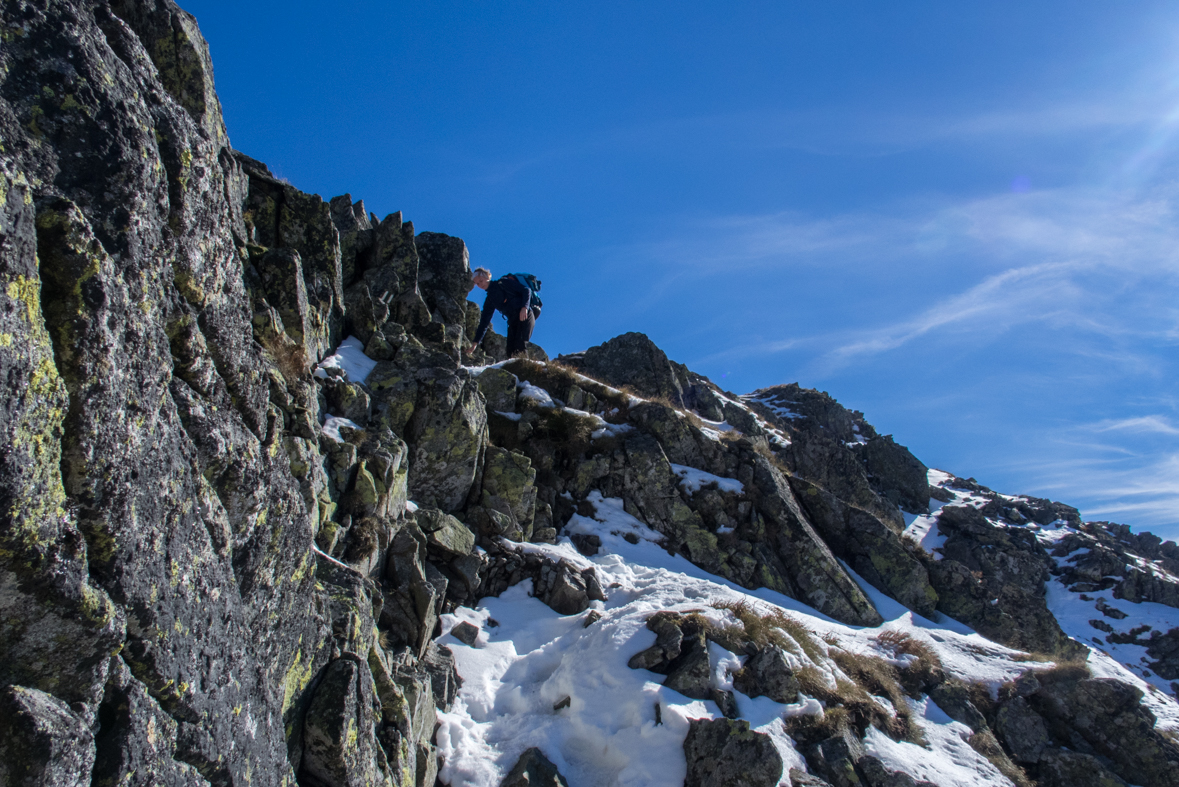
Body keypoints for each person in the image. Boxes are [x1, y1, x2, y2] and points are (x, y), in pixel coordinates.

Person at [466, 267, 538, 358]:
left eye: (481, 280)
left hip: (525, 315)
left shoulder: (503, 283)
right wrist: (475, 343)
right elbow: (484, 322)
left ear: (488, 276)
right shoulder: (490, 300)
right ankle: (516, 371)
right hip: (513, 322)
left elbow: (526, 290)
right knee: (510, 352)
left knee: (520, 345)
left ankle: (526, 370)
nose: (480, 284)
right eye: (477, 283)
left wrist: (524, 308)